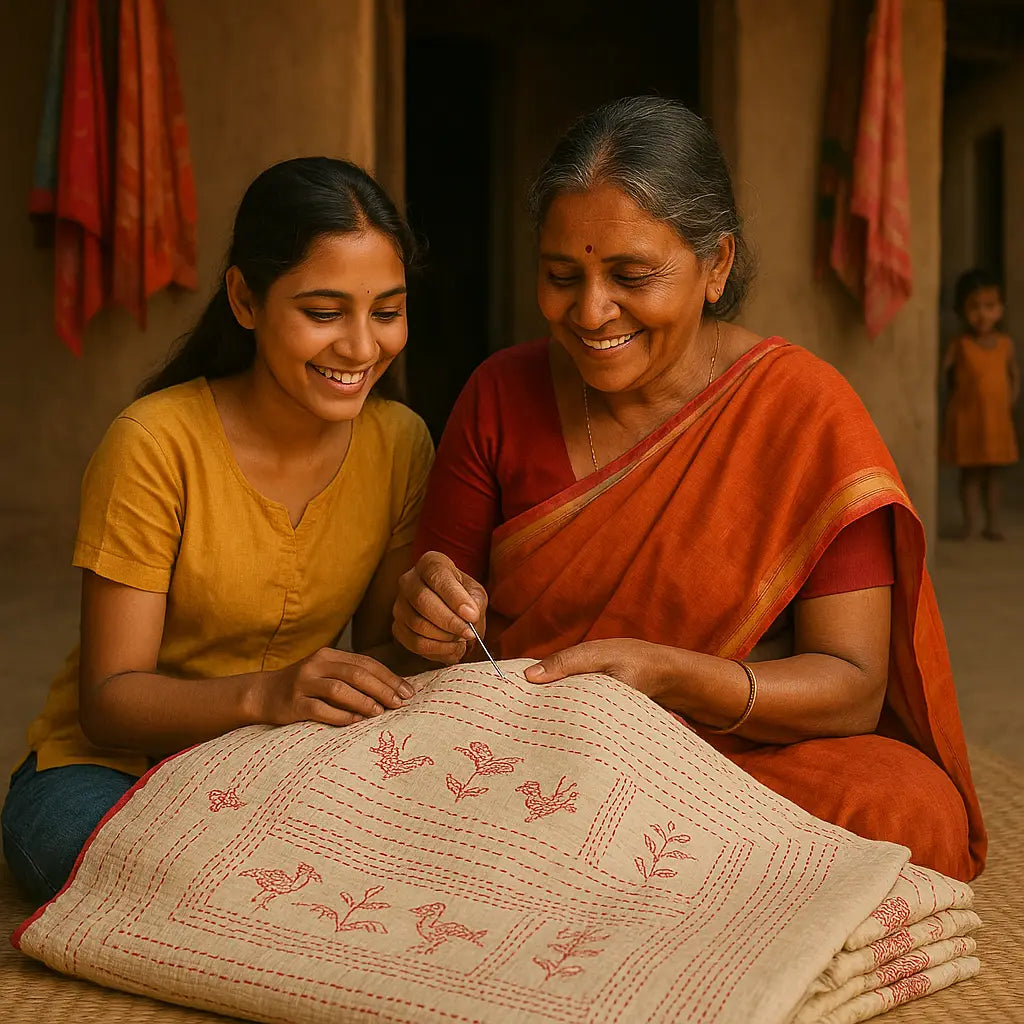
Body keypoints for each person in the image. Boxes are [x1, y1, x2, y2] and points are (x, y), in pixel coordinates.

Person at [392, 97, 986, 882]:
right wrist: (427, 610)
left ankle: (581, 879)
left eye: (632, 276)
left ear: (717, 266)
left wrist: (672, 676)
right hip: (536, 755)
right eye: (561, 276)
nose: (591, 312)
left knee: (910, 810)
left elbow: (849, 687)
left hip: (735, 758)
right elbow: (430, 626)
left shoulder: (804, 408)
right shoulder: (500, 392)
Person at [2, 158, 434, 905]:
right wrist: (267, 695)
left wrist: (437, 633)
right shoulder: (154, 444)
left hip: (278, 768)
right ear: (245, 298)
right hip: (110, 772)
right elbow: (109, 701)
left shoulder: (399, 442)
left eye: (386, 312)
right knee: (131, 859)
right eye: (324, 313)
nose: (362, 348)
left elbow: (385, 653)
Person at [941, 268, 1020, 540]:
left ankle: (993, 522)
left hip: (997, 421)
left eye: (990, 306)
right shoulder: (960, 345)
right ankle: (971, 523)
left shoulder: (1005, 344)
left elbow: (1013, 375)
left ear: (1001, 309)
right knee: (971, 476)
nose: (982, 314)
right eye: (974, 307)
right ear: (961, 310)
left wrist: (1009, 402)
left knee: (995, 476)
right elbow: (943, 374)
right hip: (969, 420)